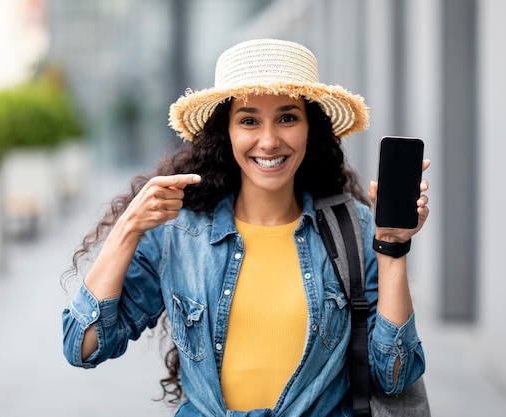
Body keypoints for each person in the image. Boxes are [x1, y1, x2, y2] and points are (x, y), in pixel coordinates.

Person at [62, 38, 430, 416]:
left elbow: (395, 377)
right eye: (249, 120)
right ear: (227, 132)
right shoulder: (177, 234)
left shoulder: (353, 226)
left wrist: (392, 248)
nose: (269, 141)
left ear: (310, 129)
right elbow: (83, 345)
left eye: (288, 117)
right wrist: (128, 230)